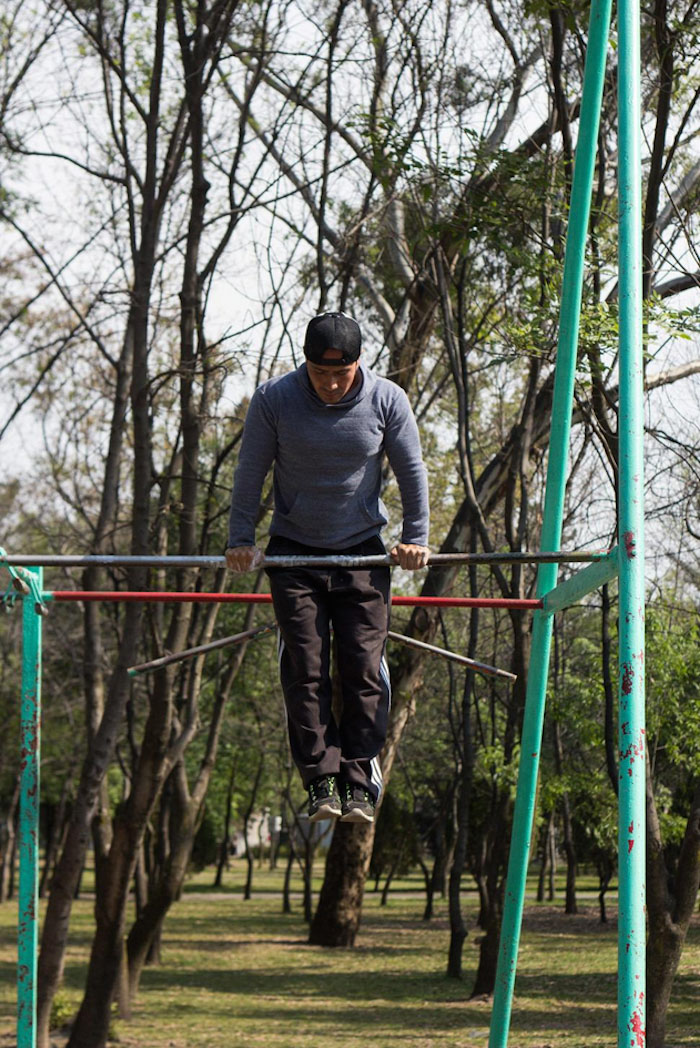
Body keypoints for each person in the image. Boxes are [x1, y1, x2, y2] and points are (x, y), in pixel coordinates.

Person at [225, 312, 429, 825]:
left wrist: (416, 538)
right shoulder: (274, 399)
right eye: (321, 374)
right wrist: (241, 540)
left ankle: (359, 780)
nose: (332, 384)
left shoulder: (387, 400)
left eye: (342, 374)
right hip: (294, 553)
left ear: (359, 363)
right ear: (306, 364)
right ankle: (321, 780)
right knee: (305, 668)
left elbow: (412, 471)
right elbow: (250, 472)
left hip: (362, 552)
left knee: (363, 668)